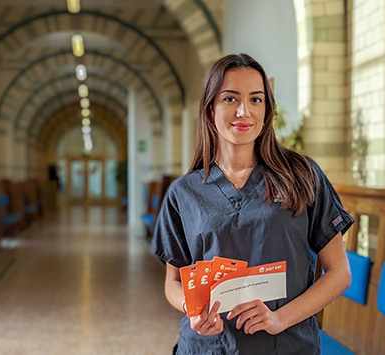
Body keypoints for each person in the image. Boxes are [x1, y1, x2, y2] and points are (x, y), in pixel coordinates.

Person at [151, 54, 353, 355]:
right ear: (210, 109)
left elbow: (339, 273)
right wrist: (191, 310)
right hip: (208, 346)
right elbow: (172, 282)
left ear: (267, 110)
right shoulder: (184, 193)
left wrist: (278, 318)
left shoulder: (302, 175)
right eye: (230, 99)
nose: (244, 111)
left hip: (285, 344)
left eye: (256, 100)